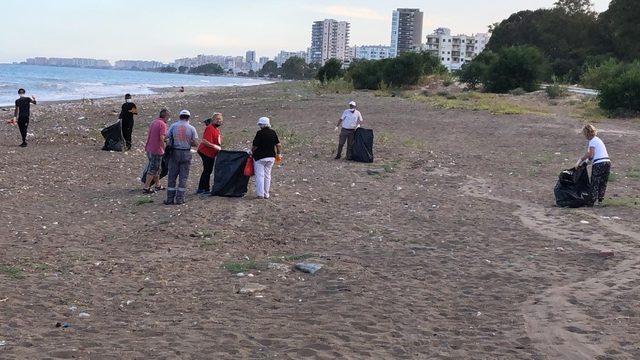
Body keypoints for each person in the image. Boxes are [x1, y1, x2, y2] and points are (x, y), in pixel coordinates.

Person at [165, 110, 199, 205]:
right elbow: (196, 143)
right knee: (183, 177)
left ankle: (170, 199)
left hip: (175, 152)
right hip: (186, 152)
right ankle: (180, 198)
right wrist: (189, 142)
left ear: (180, 116)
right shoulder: (191, 128)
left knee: (172, 175)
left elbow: (166, 137)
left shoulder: (173, 126)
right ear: (188, 117)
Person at [577, 124, 611, 205]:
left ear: (587, 133)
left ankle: (592, 200)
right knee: (603, 182)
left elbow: (591, 154)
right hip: (607, 162)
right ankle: (600, 201)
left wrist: (581, 160)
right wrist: (587, 162)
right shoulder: (598, 139)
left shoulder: (592, 141)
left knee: (595, 182)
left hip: (599, 163)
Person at [251, 117, 282, 199]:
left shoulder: (259, 133)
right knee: (267, 175)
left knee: (260, 176)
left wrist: (251, 151)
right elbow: (278, 145)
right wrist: (278, 154)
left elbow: (255, 146)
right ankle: (266, 194)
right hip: (271, 157)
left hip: (260, 157)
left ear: (262, 124)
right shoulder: (273, 132)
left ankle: (260, 194)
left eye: (260, 124)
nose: (259, 126)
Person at [143, 109, 169, 194]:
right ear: (166, 116)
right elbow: (161, 138)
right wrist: (164, 148)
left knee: (157, 168)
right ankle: (146, 187)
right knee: (153, 169)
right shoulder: (162, 124)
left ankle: (158, 185)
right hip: (156, 149)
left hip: (149, 148)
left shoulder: (154, 122)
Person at [196, 113, 223, 194]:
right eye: (217, 119)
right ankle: (204, 189)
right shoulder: (210, 128)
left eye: (220, 120)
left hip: (210, 153)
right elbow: (205, 141)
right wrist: (215, 146)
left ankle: (204, 188)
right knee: (207, 170)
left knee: (208, 170)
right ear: (213, 120)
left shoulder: (216, 130)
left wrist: (217, 146)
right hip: (205, 152)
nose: (219, 121)